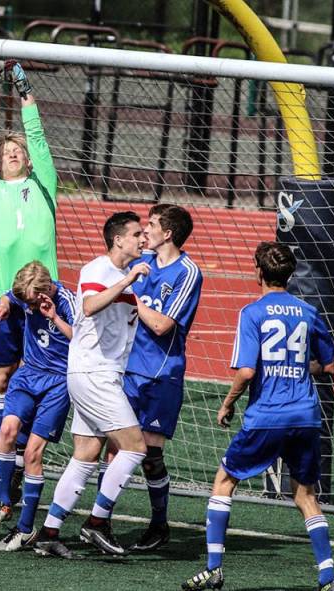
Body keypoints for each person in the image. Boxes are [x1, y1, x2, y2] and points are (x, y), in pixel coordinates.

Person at [181, 241, 334, 591]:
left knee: (224, 480)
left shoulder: (252, 313)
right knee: (305, 495)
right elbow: (327, 365)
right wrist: (297, 365)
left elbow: (247, 372)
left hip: (268, 415)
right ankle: (328, 578)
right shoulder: (308, 312)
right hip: (305, 416)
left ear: (258, 273)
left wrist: (227, 403)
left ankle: (213, 569)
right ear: (290, 274)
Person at [32, 211, 149, 559]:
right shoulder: (100, 269)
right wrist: (127, 281)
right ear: (118, 240)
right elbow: (90, 305)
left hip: (95, 372)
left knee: (85, 455)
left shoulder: (120, 275)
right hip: (95, 373)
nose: (142, 239)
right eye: (136, 234)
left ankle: (49, 532)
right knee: (135, 447)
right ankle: (97, 523)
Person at [0, 60, 59, 502]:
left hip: (46, 298)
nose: (13, 153)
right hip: (5, 296)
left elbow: (38, 136)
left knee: (46, 376)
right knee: (4, 373)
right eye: (6, 151)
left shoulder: (44, 182)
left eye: (18, 150)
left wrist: (23, 87)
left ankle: (30, 455)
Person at [120, 203, 201, 552]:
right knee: (115, 450)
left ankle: (158, 523)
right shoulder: (141, 264)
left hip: (160, 375)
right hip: (126, 369)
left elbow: (162, 324)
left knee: (151, 455)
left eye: (151, 225)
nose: (145, 230)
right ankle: (100, 521)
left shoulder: (187, 272)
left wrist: (130, 296)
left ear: (167, 233)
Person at [0, 261, 76, 553]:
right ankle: (4, 504)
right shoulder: (24, 295)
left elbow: (82, 339)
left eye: (32, 300)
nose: (30, 306)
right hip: (28, 374)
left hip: (58, 382)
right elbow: (10, 293)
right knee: (7, 432)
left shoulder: (68, 300)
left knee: (33, 453)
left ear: (46, 289)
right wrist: (8, 303)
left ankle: (25, 528)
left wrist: (54, 317)